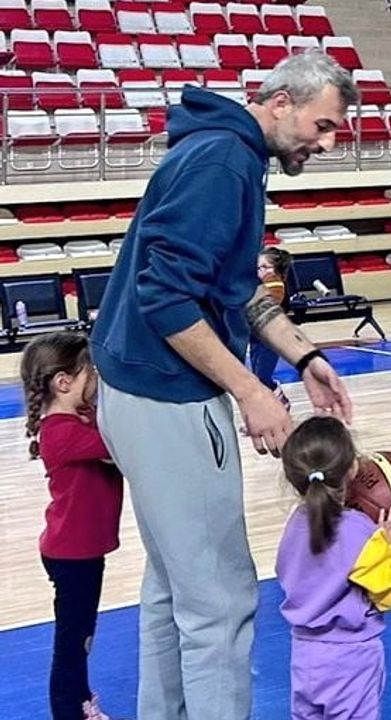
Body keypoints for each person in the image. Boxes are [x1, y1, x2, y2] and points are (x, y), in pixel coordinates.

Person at [89, 51, 357, 720]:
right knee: (220, 601)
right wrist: (251, 391)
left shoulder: (227, 153)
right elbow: (167, 296)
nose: (325, 144)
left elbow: (230, 291)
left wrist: (303, 356)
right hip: (167, 400)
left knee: (172, 588)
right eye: (321, 126)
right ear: (279, 104)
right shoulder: (222, 163)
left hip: (136, 393)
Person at [275, 416, 391, 720]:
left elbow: (288, 572)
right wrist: (387, 546)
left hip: (304, 653)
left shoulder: (295, 523)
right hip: (351, 657)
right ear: (353, 469)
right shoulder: (360, 532)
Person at [21, 332, 123, 720]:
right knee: (73, 642)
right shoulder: (63, 432)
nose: (96, 379)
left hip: (77, 550)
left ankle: (79, 702)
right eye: (90, 372)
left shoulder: (72, 421)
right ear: (64, 383)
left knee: (80, 637)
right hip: (73, 555)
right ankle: (70, 711)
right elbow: (118, 443)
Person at [249, 246, 293, 409]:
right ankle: (265, 411)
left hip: (270, 337)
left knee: (262, 377)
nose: (260, 270)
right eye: (258, 267)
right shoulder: (259, 282)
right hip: (255, 336)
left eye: (265, 267)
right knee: (256, 377)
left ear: (275, 269)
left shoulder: (274, 281)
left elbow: (267, 304)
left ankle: (280, 400)